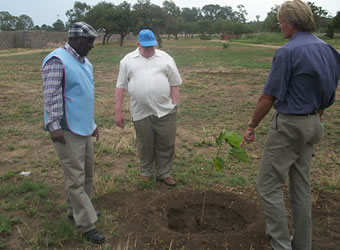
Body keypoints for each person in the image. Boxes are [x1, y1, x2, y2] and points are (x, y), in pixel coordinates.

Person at [242, 1, 340, 249]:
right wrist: (317, 116)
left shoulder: (287, 52)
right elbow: (329, 91)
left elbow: (268, 97)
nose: (280, 26)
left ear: (291, 22)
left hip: (289, 126)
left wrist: (252, 124)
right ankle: (302, 245)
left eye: (281, 22)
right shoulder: (329, 50)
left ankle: (281, 245)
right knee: (301, 186)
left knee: (267, 184)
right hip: (314, 123)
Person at [42, 21, 105, 244]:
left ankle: (76, 211)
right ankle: (87, 224)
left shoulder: (85, 62)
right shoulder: (57, 60)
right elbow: (51, 96)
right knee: (75, 178)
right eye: (89, 41)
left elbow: (83, 97)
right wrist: (54, 126)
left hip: (84, 127)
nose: (92, 46)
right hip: (66, 129)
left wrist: (93, 123)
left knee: (87, 173)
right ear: (76, 39)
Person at [115, 29, 182, 187]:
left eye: (152, 46)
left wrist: (174, 104)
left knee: (166, 143)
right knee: (145, 143)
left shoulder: (165, 58)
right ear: (138, 44)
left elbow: (174, 83)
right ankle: (146, 172)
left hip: (166, 110)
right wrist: (118, 111)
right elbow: (120, 87)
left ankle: (164, 173)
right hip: (141, 111)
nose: (149, 50)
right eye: (146, 47)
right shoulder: (127, 61)